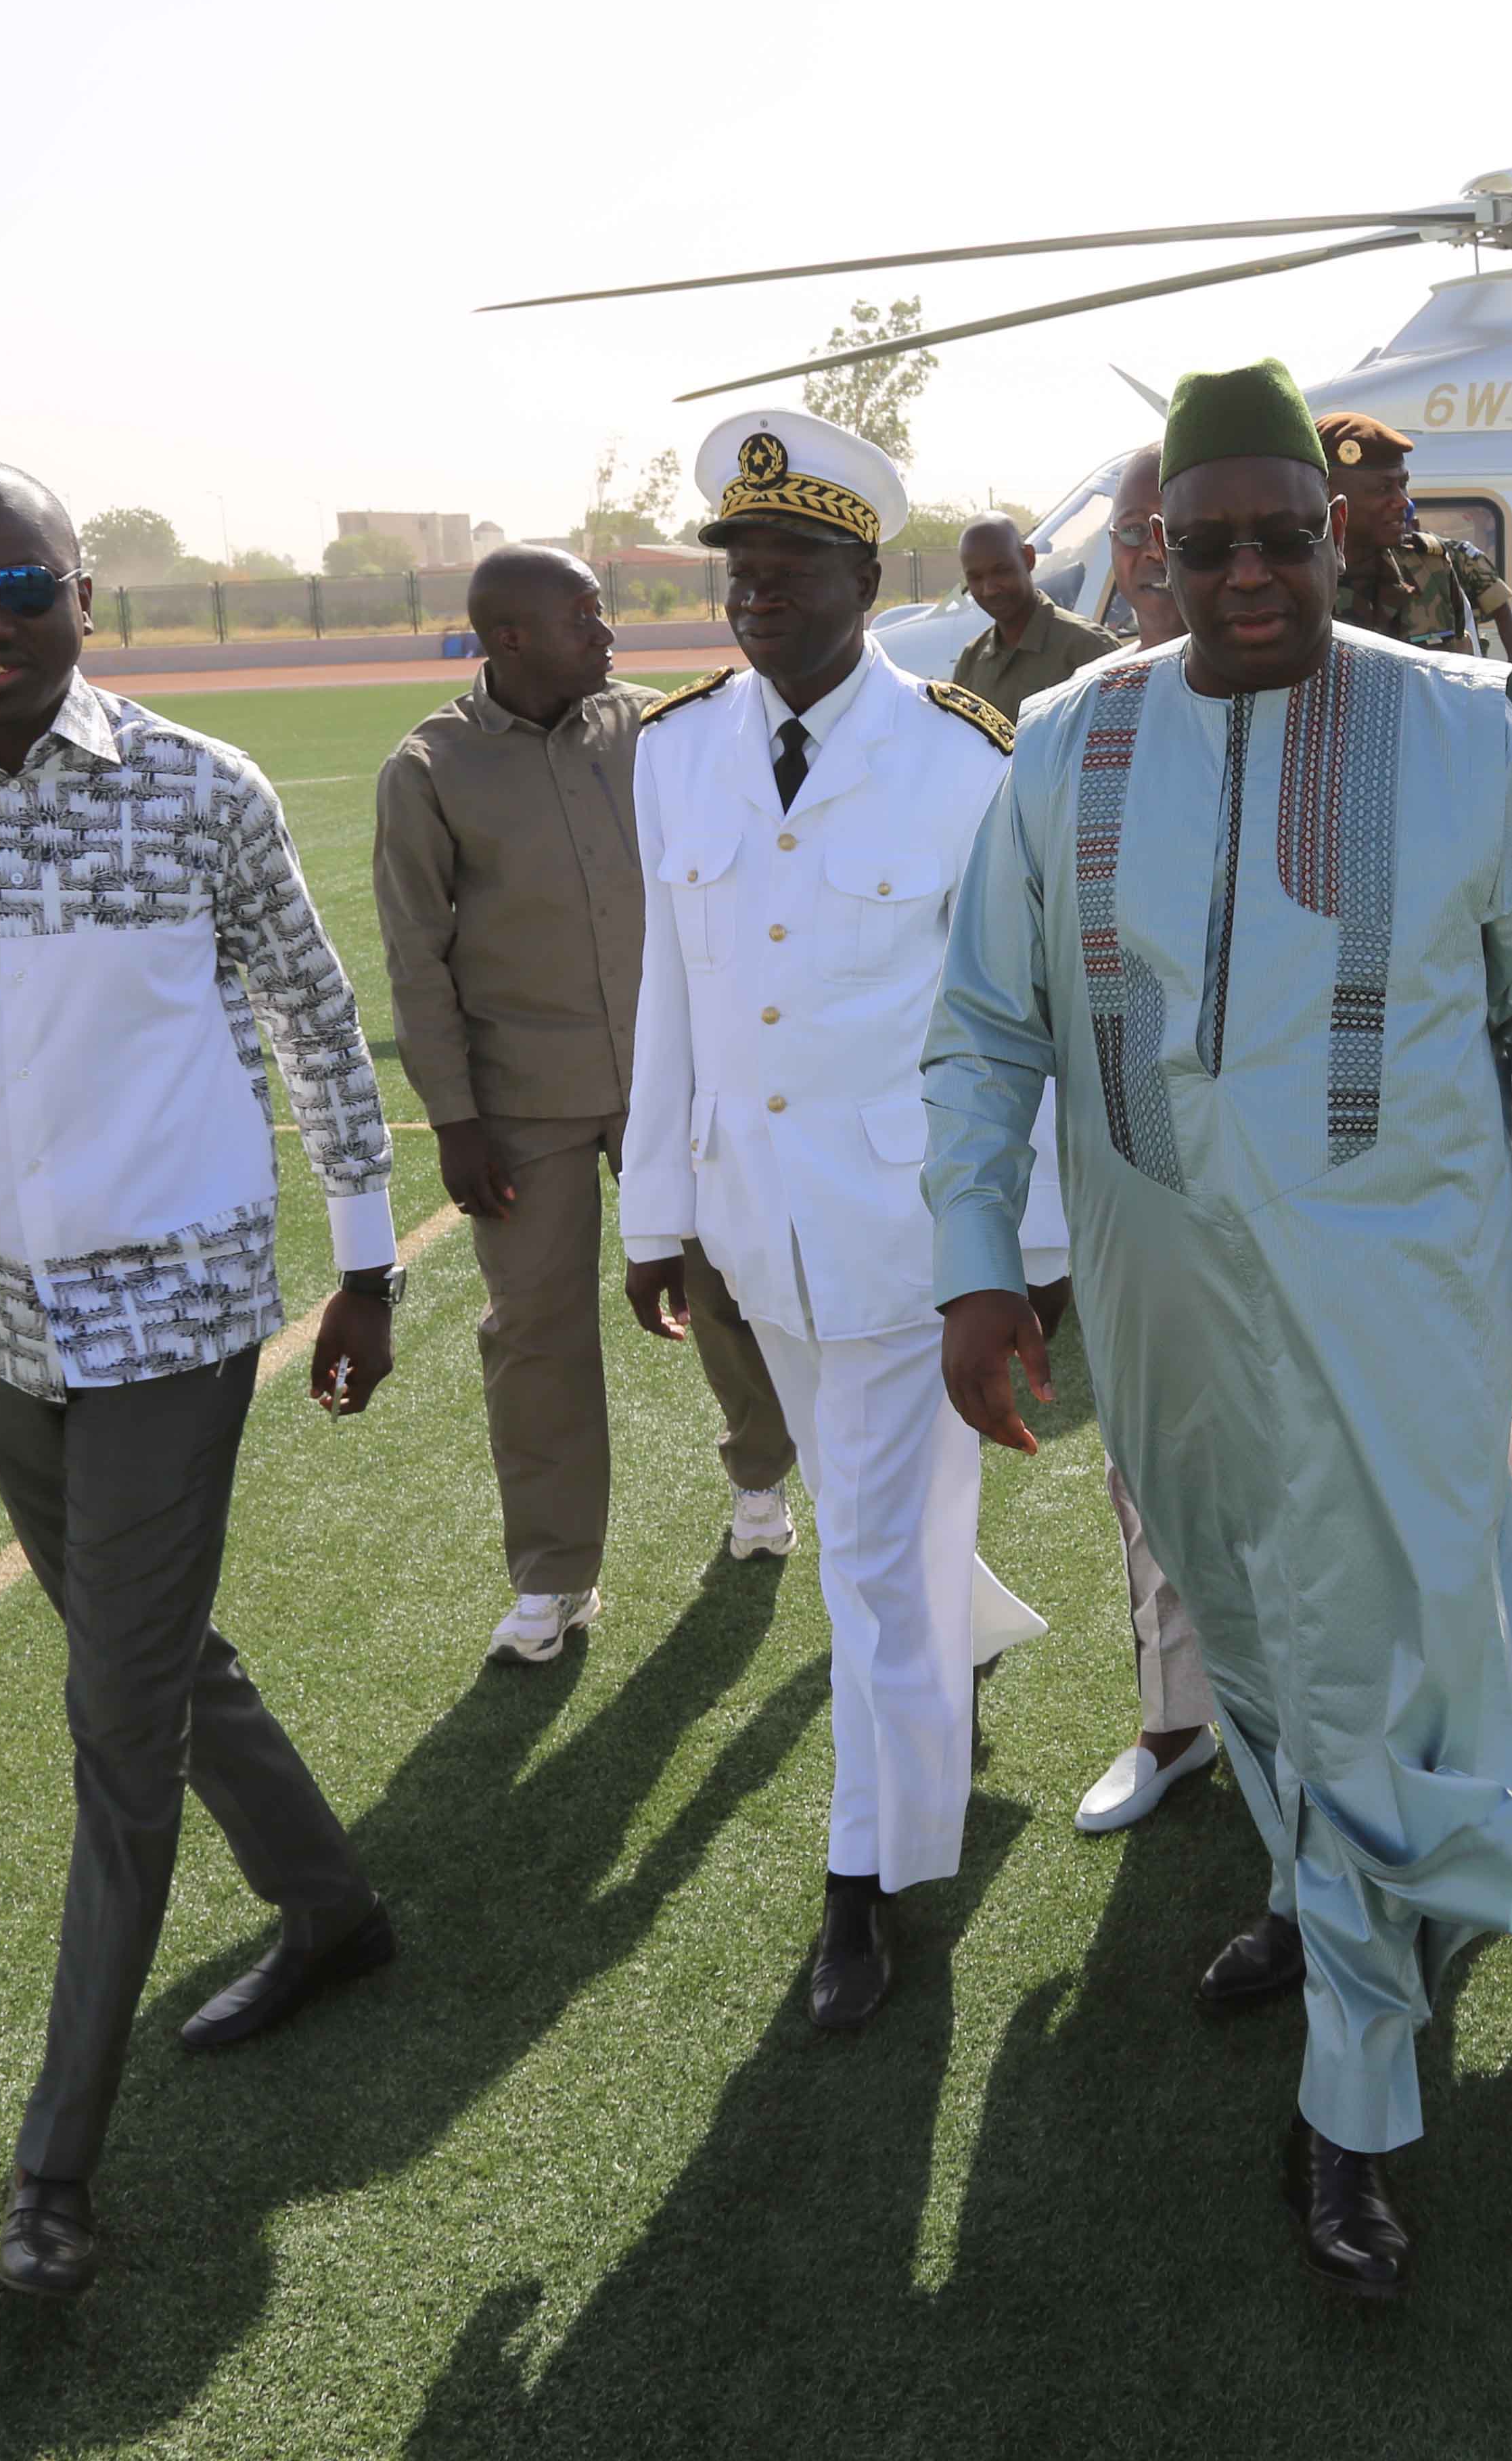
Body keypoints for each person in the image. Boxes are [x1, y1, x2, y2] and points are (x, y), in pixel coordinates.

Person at [927, 357, 1512, 2303]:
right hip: (1160, 1300)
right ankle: (1329, 1887)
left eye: (1278, 539)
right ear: (1150, 557)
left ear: (1335, 534)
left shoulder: (1471, 733)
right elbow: (989, 1027)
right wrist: (979, 1261)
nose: (1246, 578)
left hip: (1407, 1291)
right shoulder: (1061, 747)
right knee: (1252, 1622)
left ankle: (1357, 2099)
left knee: (1381, 1652)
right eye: (1201, 546)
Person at [0, 462, 401, 2301]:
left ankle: (53, 2174)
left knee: (115, 1733)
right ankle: (336, 1912)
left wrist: (362, 1261)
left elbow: (316, 1020)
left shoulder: (199, 789)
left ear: (88, 595)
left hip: (183, 1321)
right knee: (163, 1657)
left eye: (21, 582)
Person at [619, 408, 1067, 2031]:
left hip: (907, 1230)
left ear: (864, 575)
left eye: (791, 563)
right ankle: (965, 1622)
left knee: (863, 1571)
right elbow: (674, 991)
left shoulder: (957, 757)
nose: (756, 593)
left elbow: (1016, 1020)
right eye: (736, 564)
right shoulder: (670, 749)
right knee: (880, 1525)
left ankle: (871, 1881)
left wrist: (1022, 1253)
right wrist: (655, 1209)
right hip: (755, 1229)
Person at [373, 544, 799, 1674]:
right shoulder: (428, 768)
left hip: (683, 1078)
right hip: (522, 1105)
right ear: (509, 638)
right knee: (535, 1335)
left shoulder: (661, 730)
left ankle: (761, 1479)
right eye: (583, 615)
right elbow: (417, 961)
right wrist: (454, 1119)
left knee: (729, 1284)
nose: (607, 632)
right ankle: (553, 1579)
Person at [1068, 439, 1218, 1833]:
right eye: (1141, 531)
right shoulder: (1069, 727)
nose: (1156, 557)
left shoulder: (1381, 711)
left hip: (1330, 1197)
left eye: (1186, 527)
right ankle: (1178, 1723)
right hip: (1138, 1184)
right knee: (1150, 1467)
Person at [1319, 410, 1512, 659]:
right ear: (1329, 495)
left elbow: (1468, 678)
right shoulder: (1298, 577)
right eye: (1384, 488)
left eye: (1403, 485)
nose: (1403, 502)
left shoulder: (1430, 569)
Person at [948, 511, 1124, 717]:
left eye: (1001, 571)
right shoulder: (971, 662)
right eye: (976, 578)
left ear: (1028, 559)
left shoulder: (1089, 649)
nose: (989, 589)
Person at [1105, 443, 1179, 651]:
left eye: (1173, 530)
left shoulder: (1265, 677)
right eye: (1134, 530)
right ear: (1112, 542)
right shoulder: (1096, 683)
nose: (1157, 552)